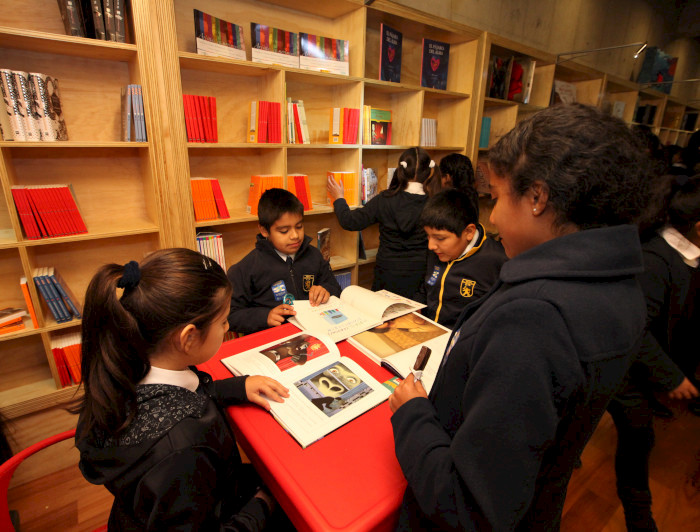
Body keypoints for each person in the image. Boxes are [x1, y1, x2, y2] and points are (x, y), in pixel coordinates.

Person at [388, 103, 652, 530]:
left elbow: (466, 505)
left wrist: (413, 413)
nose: (492, 216)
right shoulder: (620, 285)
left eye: (496, 196)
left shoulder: (533, 320)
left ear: (537, 197)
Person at [73, 248, 291, 531]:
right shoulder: (183, 449)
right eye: (223, 321)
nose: (227, 327)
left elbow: (186, 396)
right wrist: (262, 504)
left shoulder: (123, 367)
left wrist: (237, 386)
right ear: (188, 337)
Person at [608, 173, 700, 531]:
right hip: (622, 371)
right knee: (637, 439)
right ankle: (639, 517)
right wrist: (671, 375)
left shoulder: (684, 254)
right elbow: (635, 328)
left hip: (644, 371)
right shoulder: (655, 261)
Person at [227, 188, 342, 334]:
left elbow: (335, 288)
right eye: (284, 231)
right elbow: (230, 315)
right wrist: (265, 316)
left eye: (299, 226)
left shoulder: (314, 255)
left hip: (316, 332)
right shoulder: (246, 268)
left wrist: (326, 290)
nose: (295, 235)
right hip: (272, 340)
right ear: (264, 231)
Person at [327, 147, 433, 298]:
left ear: (401, 170)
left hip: (387, 272)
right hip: (419, 273)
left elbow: (349, 221)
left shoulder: (385, 199)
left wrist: (339, 198)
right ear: (429, 172)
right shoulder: (433, 203)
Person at [415, 188, 507, 329]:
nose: (431, 245)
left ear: (469, 232)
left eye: (440, 238)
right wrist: (416, 307)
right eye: (428, 236)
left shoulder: (497, 260)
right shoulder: (437, 251)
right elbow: (426, 287)